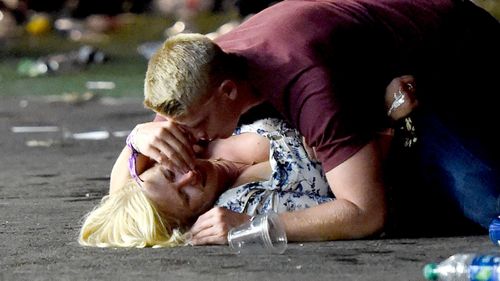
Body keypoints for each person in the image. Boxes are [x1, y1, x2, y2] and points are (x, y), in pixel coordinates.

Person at [114, 0, 500, 241]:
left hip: (454, 61)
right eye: (174, 182)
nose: (187, 163)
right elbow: (124, 200)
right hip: (375, 82)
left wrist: (253, 228)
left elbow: (366, 212)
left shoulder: (305, 84)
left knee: (488, 201)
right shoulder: (197, 80)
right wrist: (136, 140)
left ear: (228, 93)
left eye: (195, 125)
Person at [81, 118, 334, 247]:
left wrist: (137, 137)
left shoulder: (197, 137)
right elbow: (356, 211)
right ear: (195, 219)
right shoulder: (244, 205)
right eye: (186, 196)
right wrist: (252, 226)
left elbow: (122, 191)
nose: (190, 176)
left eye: (170, 174)